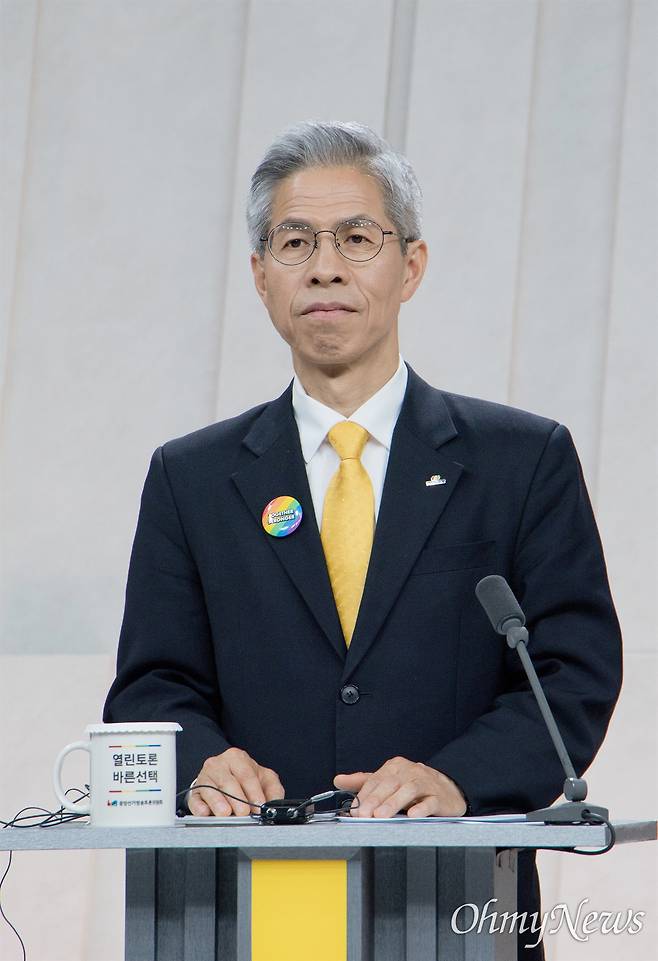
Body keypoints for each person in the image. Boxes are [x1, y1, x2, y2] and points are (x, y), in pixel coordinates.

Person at [103, 121, 622, 958]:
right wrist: (201, 761)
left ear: (410, 266)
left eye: (356, 238)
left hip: (457, 903)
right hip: (245, 904)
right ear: (261, 276)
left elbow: (572, 671)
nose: (325, 267)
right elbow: (151, 687)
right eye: (295, 242)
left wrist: (459, 778)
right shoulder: (190, 479)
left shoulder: (521, 461)